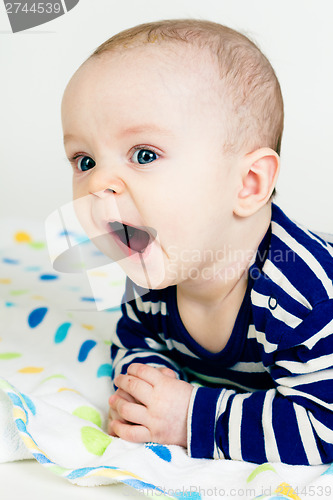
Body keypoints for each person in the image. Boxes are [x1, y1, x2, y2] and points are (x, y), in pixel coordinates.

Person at [61, 19, 333, 465]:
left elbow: (323, 426)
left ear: (247, 184)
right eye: (84, 160)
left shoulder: (304, 301)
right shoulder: (152, 272)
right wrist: (150, 400)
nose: (99, 185)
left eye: (144, 154)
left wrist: (189, 416)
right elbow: (137, 344)